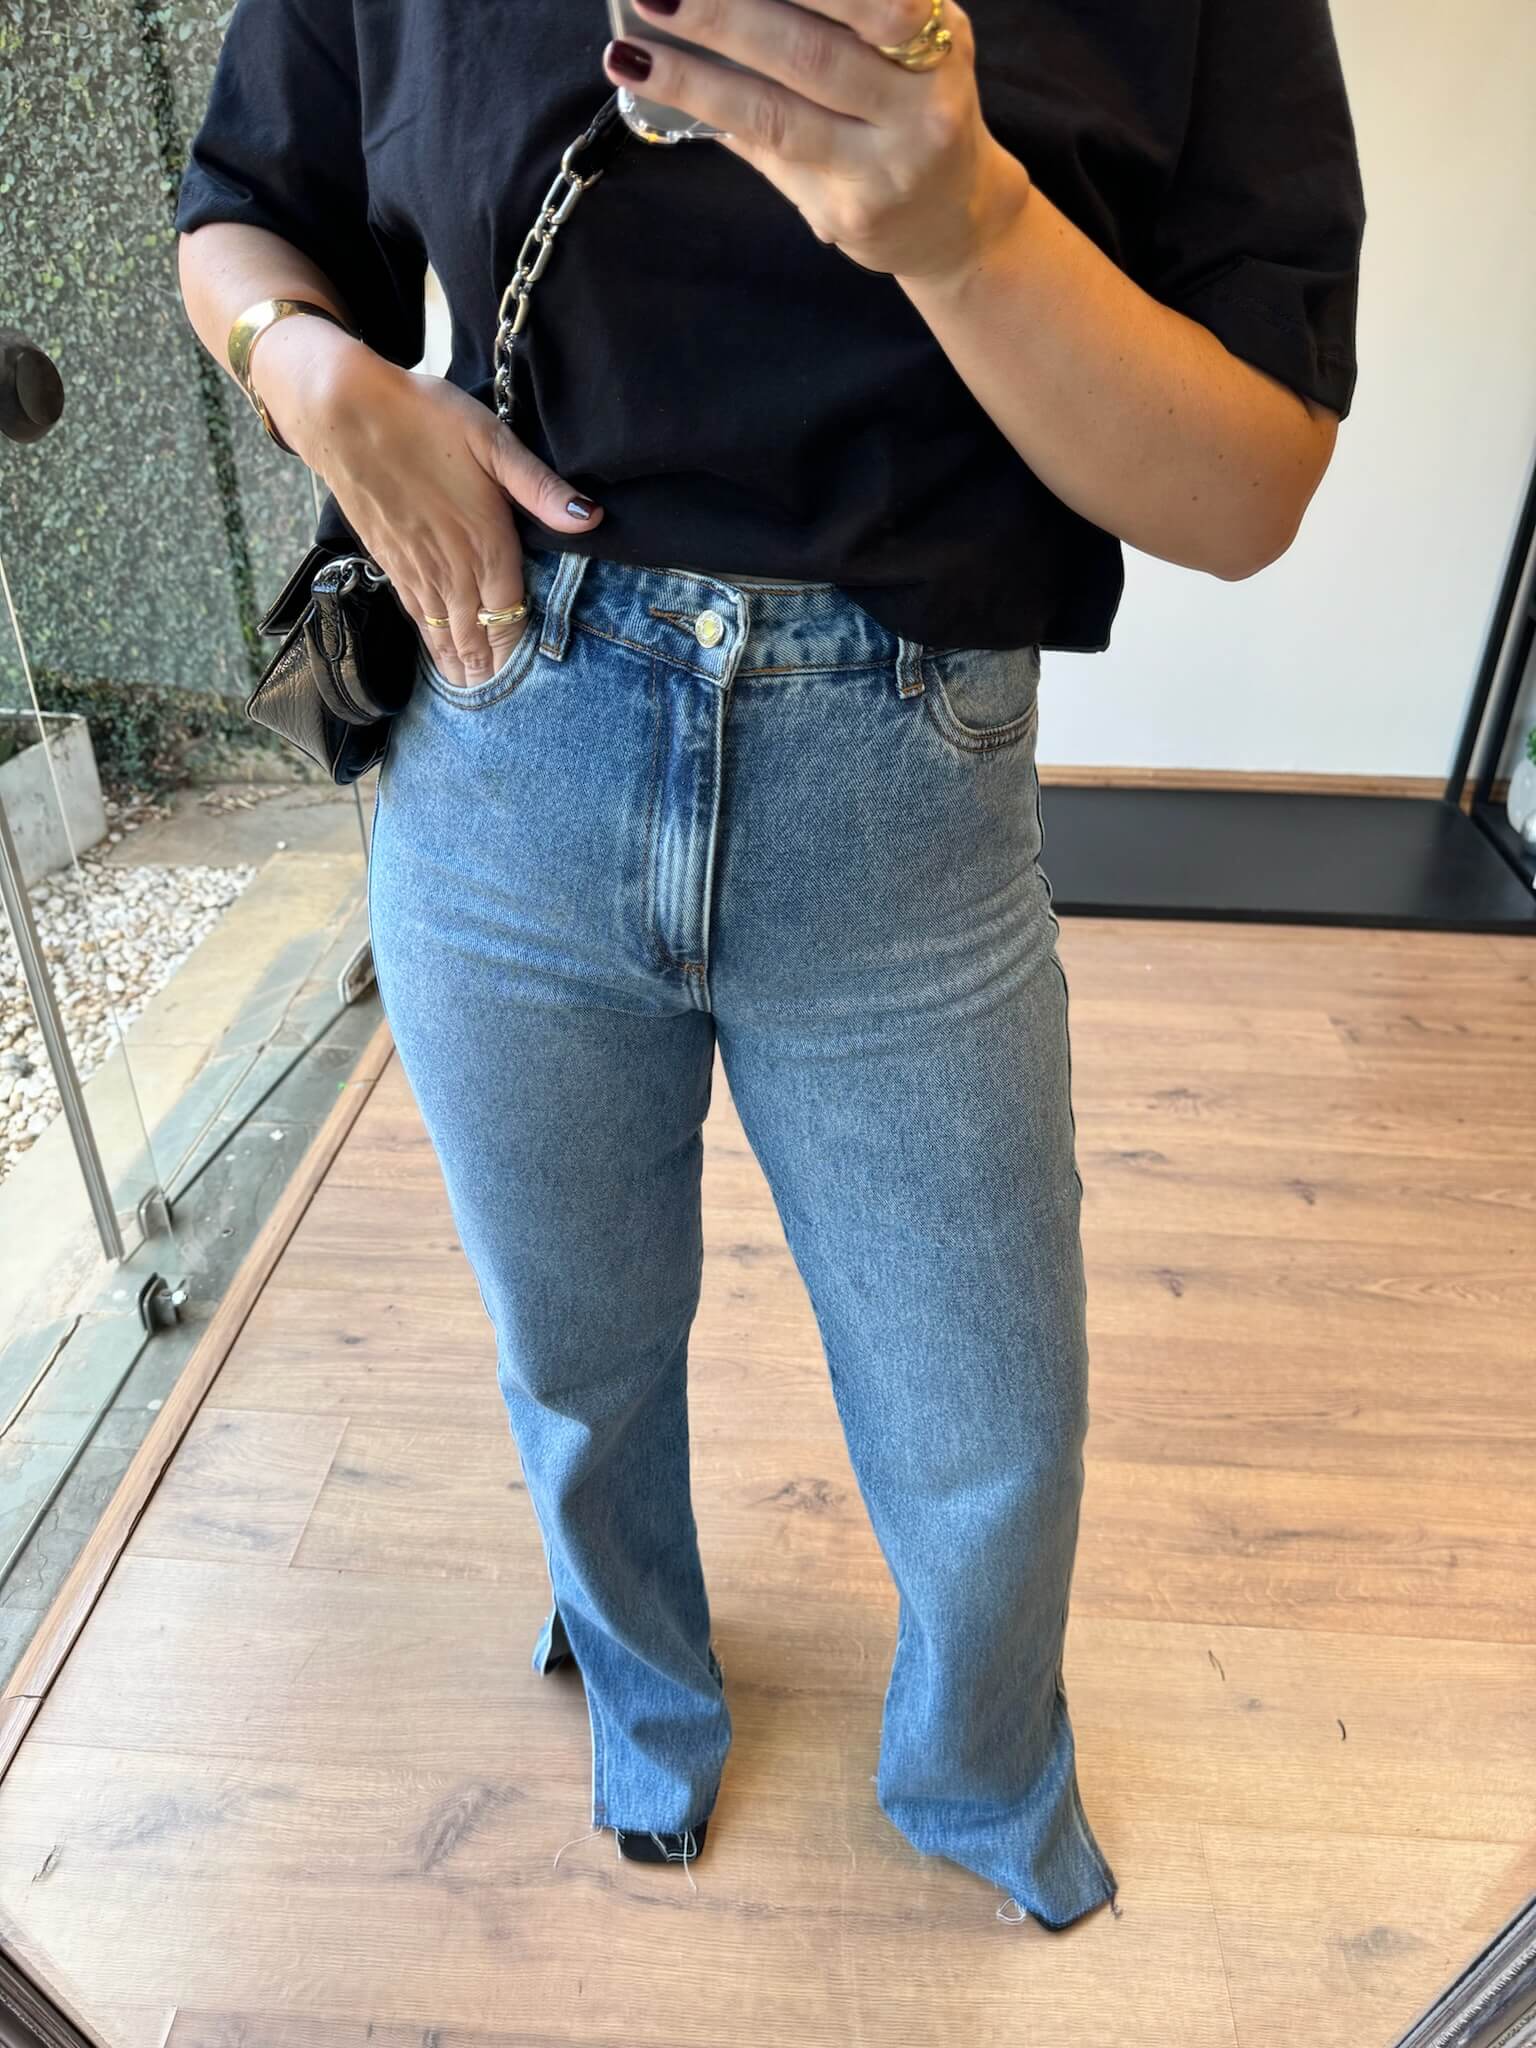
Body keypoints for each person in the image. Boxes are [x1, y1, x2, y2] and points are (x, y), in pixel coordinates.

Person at [173, 0, 1364, 1930]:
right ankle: (641, 1695)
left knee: (990, 1418)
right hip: (509, 715)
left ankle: (984, 1770)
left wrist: (972, 228)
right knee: (578, 1354)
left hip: (903, 776)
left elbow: (1253, 485)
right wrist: (306, 371)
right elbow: (243, 211)